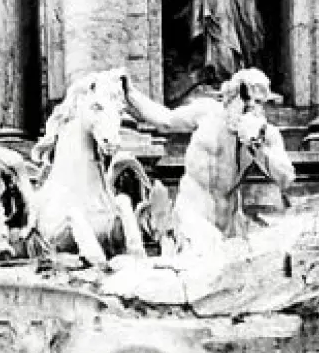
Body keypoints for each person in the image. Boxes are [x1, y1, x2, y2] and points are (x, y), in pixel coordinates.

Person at [122, 67, 294, 253]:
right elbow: (165, 120)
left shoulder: (266, 134)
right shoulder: (207, 112)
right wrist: (131, 93)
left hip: (229, 224)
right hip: (192, 214)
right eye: (245, 98)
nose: (250, 106)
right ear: (231, 95)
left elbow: (286, 178)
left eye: (258, 102)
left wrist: (257, 146)